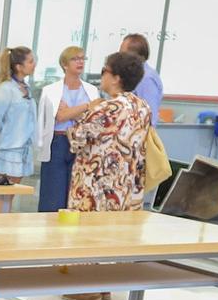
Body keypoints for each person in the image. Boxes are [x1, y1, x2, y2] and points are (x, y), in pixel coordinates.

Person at [67, 50, 152, 213]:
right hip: (125, 186)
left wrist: (86, 112)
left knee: (88, 234)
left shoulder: (107, 108)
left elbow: (77, 140)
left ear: (116, 78)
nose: (102, 76)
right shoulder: (142, 107)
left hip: (96, 188)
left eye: (104, 71)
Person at [36, 45, 92, 212]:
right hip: (58, 141)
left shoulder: (91, 90)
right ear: (65, 64)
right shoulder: (51, 91)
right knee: (53, 194)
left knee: (75, 192)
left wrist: (71, 111)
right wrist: (85, 108)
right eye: (75, 59)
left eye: (82, 58)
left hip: (81, 143)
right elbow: (58, 117)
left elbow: (92, 119)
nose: (80, 62)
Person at [0, 47, 39, 183]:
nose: (34, 65)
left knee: (10, 195)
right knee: (2, 196)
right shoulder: (5, 89)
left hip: (23, 149)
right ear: (19, 67)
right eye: (31, 61)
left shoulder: (26, 88)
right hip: (8, 150)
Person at [121, 33, 163, 124]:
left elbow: (149, 116)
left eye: (122, 52)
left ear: (132, 55)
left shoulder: (146, 79)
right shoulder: (133, 74)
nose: (119, 56)